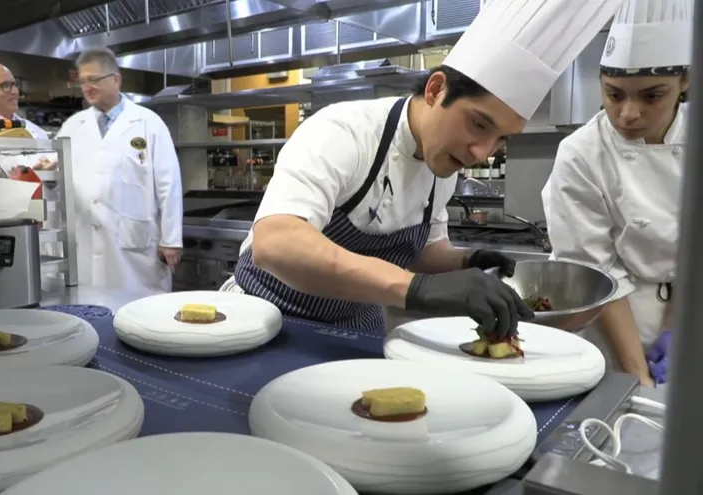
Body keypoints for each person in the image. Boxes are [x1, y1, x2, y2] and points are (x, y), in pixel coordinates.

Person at [220, 0, 625, 336]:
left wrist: (470, 261)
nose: (482, 151)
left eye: (501, 138)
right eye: (479, 124)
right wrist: (418, 289)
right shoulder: (341, 132)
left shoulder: (440, 166)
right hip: (269, 322)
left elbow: (424, 253)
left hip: (356, 329)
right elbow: (276, 244)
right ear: (435, 90)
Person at [542, 0, 692, 387]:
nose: (627, 113)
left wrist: (678, 335)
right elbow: (598, 270)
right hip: (609, 329)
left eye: (651, 96)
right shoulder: (582, 153)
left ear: (685, 82)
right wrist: (637, 374)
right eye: (614, 94)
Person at [57, 47, 183, 295]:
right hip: (85, 243)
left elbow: (169, 184)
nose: (87, 87)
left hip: (135, 247)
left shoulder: (148, 123)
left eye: (94, 79)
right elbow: (56, 171)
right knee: (93, 315)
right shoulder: (73, 126)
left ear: (116, 79)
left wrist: (171, 240)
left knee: (140, 316)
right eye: (83, 81)